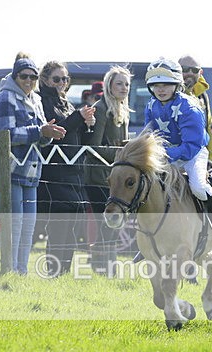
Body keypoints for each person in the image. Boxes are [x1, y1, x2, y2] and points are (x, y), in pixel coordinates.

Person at [144, 57, 212, 248]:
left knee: (198, 186)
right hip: (167, 154)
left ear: (177, 84)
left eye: (166, 84)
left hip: (193, 154)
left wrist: (166, 155)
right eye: (156, 85)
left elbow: (191, 146)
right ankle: (150, 235)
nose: (160, 89)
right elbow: (148, 134)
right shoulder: (151, 106)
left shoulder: (190, 107)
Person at [0, 55, 65, 275]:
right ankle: (9, 270)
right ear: (15, 76)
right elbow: (6, 134)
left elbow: (40, 135)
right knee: (15, 224)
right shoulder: (4, 98)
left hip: (31, 168)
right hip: (7, 170)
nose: (29, 81)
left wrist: (48, 134)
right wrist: (40, 131)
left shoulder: (36, 100)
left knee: (29, 224)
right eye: (24, 76)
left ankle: (21, 271)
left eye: (33, 77)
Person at [37, 60, 96, 276]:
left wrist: (89, 126)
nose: (62, 83)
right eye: (56, 79)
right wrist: (79, 117)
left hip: (73, 173)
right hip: (54, 174)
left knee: (71, 230)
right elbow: (59, 132)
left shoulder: (67, 103)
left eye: (65, 79)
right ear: (45, 80)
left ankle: (63, 274)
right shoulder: (43, 102)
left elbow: (80, 140)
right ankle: (54, 273)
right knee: (57, 229)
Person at [84, 66, 131, 275]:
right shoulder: (101, 108)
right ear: (109, 85)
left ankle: (108, 268)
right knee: (108, 223)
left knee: (116, 223)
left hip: (115, 177)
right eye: (119, 83)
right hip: (97, 177)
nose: (124, 87)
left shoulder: (123, 108)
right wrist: (122, 152)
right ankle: (101, 267)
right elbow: (93, 147)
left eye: (127, 84)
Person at [178, 55, 212, 157]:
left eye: (194, 70)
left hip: (200, 159)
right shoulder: (169, 95)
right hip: (176, 159)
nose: (190, 73)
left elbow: (208, 130)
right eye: (184, 69)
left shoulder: (203, 96)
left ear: (200, 73)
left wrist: (209, 158)